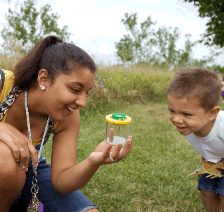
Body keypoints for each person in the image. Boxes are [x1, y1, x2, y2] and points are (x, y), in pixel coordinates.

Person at [0, 35, 132, 212]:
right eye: (75, 90)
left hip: (31, 171)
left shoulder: (68, 114)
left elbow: (61, 181)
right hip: (5, 167)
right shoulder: (3, 84)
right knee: (6, 159)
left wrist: (93, 162)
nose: (82, 102)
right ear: (44, 79)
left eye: (86, 93)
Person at [167, 67, 224, 212]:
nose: (176, 119)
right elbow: (207, 142)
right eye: (172, 111)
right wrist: (205, 154)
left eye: (186, 114)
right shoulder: (189, 126)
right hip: (213, 160)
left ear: (212, 113)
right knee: (206, 190)